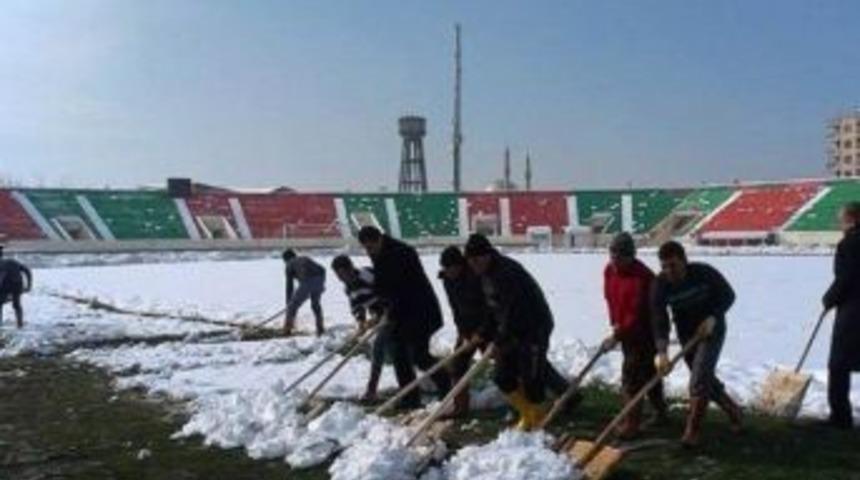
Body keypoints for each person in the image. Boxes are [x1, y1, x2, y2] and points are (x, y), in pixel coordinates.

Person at [464, 233, 568, 431]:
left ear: (487, 255)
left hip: (533, 327)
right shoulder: (483, 276)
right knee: (503, 376)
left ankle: (538, 419)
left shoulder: (507, 273)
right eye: (470, 261)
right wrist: (482, 333)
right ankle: (527, 413)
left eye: (477, 259)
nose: (473, 265)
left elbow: (513, 312)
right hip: (510, 330)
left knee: (532, 378)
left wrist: (499, 341)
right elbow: (491, 310)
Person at [651, 240, 742, 447]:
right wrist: (662, 352)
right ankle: (733, 410)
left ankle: (692, 431)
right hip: (687, 334)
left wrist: (712, 317)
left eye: (673, 265)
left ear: (684, 261)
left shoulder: (703, 273)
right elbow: (659, 318)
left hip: (712, 329)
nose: (669, 271)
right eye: (664, 266)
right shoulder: (660, 285)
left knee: (699, 378)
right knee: (703, 376)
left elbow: (728, 295)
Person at [357, 226, 451, 409]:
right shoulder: (380, 252)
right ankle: (410, 397)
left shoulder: (401, 252)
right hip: (402, 312)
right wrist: (382, 308)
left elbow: (404, 287)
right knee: (398, 352)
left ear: (378, 240)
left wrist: (389, 310)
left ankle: (446, 385)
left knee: (418, 354)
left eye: (370, 247)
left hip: (421, 311)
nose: (369, 252)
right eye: (366, 248)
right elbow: (383, 285)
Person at [603, 232, 668, 438]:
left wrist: (618, 334)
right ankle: (660, 410)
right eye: (612, 254)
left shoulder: (643, 278)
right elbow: (610, 298)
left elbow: (636, 312)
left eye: (619, 256)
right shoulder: (609, 271)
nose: (614, 260)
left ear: (631, 256)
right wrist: (615, 323)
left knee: (631, 376)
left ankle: (631, 424)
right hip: (625, 330)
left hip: (645, 333)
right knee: (649, 373)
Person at [438, 245, 496, 416]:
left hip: (488, 328)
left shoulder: (476, 277)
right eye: (445, 268)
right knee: (457, 366)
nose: (449, 272)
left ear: (460, 265)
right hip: (467, 330)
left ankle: (522, 402)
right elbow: (455, 308)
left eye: (452, 268)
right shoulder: (448, 281)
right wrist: (463, 332)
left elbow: (489, 308)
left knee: (503, 365)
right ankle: (461, 407)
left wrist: (482, 332)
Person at [331, 254, 391, 402]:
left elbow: (389, 290)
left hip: (395, 312)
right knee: (394, 350)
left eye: (342, 274)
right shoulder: (349, 288)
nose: (340, 278)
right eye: (337, 275)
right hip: (381, 316)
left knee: (378, 348)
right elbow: (357, 307)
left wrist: (385, 312)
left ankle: (371, 390)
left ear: (350, 268)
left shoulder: (367, 275)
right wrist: (361, 322)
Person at [822, 201, 860, 430]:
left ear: (853, 219)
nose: (839, 223)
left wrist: (829, 299)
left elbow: (847, 278)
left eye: (842, 218)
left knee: (838, 364)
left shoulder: (850, 244)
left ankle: (840, 416)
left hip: (853, 310)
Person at [282, 249, 326, 336]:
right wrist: (319, 284)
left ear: (286, 259)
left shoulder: (289, 264)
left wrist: (289, 304)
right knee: (315, 305)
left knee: (292, 306)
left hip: (307, 281)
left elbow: (289, 287)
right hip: (320, 279)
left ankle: (287, 330)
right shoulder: (303, 258)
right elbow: (322, 269)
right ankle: (320, 328)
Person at [0, 245, 32, 329]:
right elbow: (27, 270)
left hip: (11, 285)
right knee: (16, 305)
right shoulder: (12, 261)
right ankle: (20, 324)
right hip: (17, 284)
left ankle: (18, 325)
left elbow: (2, 276)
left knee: (5, 303)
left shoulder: (6, 263)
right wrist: (29, 285)